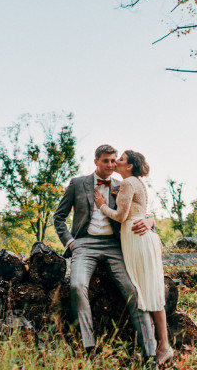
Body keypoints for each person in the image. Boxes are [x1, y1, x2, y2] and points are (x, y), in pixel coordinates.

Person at [53, 144, 157, 365]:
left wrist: (150, 222)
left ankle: (150, 353)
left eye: (113, 161)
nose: (110, 165)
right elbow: (59, 217)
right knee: (76, 285)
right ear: (96, 162)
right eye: (106, 161)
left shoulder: (124, 184)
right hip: (84, 244)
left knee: (134, 290)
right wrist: (70, 242)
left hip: (115, 245)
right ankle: (89, 346)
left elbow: (142, 213)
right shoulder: (77, 183)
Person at [94, 150, 174, 366]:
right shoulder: (134, 182)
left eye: (120, 159)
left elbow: (121, 216)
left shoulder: (129, 183)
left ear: (129, 166)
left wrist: (102, 205)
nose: (116, 162)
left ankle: (164, 346)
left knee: (148, 292)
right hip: (138, 238)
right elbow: (135, 208)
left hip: (137, 238)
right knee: (149, 291)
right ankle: (156, 345)